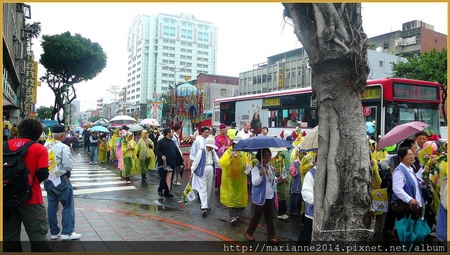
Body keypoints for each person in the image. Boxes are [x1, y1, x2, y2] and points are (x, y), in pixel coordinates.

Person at [3, 119, 52, 252]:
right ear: (38, 133)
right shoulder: (39, 149)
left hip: (7, 199)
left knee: (9, 239)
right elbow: (43, 173)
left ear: (19, 130)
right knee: (38, 238)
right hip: (32, 199)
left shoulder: (4, 146)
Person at [43, 124, 82, 241]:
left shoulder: (45, 146)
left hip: (48, 179)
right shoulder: (63, 147)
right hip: (60, 179)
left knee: (52, 205)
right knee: (68, 205)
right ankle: (67, 232)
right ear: (63, 135)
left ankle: (54, 232)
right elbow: (68, 166)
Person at [244, 148, 282, 244]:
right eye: (266, 155)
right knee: (257, 216)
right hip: (260, 197)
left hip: (269, 196)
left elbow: (273, 180)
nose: (268, 157)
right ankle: (249, 232)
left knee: (270, 217)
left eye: (269, 155)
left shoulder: (269, 167)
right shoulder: (256, 168)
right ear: (261, 157)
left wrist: (280, 179)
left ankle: (271, 236)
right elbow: (254, 182)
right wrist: (260, 175)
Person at [390, 147, 423, 236]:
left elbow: (415, 185)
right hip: (404, 205)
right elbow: (397, 188)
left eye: (412, 154)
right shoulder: (399, 170)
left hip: (412, 206)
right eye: (408, 155)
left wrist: (422, 183)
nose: (412, 157)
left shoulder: (411, 169)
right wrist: (409, 199)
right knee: (405, 230)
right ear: (401, 158)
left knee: (410, 229)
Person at [219, 136, 249, 224]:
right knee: (231, 198)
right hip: (230, 180)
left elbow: (246, 164)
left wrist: (248, 164)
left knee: (238, 198)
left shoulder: (243, 153)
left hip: (240, 180)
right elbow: (222, 163)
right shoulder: (228, 152)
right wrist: (230, 157)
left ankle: (236, 215)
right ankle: (232, 216)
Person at [190, 138, 220, 216]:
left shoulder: (213, 152)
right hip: (203, 170)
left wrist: (222, 166)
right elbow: (196, 162)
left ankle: (206, 204)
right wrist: (192, 171)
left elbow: (217, 161)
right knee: (203, 188)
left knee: (209, 188)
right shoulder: (201, 151)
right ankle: (204, 206)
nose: (212, 148)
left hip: (210, 169)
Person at [155, 128, 184, 197]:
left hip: (172, 163)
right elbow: (157, 151)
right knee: (163, 178)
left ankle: (167, 191)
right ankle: (160, 190)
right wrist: (161, 156)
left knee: (170, 178)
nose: (173, 133)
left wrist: (181, 161)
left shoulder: (172, 142)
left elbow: (177, 152)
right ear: (168, 133)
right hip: (164, 164)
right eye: (171, 132)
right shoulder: (161, 142)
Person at [298, 155, 316, 245]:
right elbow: (306, 193)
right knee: (307, 234)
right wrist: (318, 201)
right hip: (312, 212)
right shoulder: (311, 173)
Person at [215, 123, 232, 190]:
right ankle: (219, 186)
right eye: (222, 130)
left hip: (228, 157)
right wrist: (224, 148)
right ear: (220, 130)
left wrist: (229, 148)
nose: (224, 131)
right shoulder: (217, 138)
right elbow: (216, 148)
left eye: (225, 130)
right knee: (219, 173)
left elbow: (231, 145)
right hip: (221, 157)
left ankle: (226, 186)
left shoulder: (228, 137)